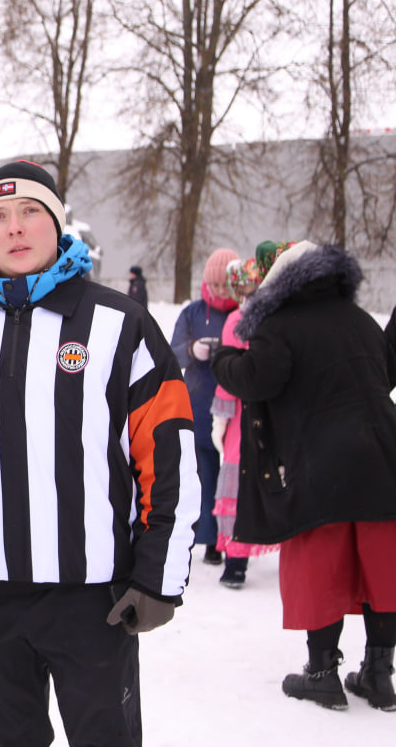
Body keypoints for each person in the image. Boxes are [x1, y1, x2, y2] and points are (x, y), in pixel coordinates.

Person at [0, 160, 201, 747]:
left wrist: (159, 576)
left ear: (57, 222)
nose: (15, 227)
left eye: (30, 211)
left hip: (94, 598)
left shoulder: (121, 324)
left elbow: (170, 456)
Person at [212, 241, 396, 712]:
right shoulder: (360, 320)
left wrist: (221, 359)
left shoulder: (280, 325)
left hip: (318, 466)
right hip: (383, 458)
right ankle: (379, 675)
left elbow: (258, 378)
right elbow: (385, 373)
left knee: (320, 567)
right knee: (382, 568)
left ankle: (321, 675)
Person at [208, 258, 278, 589]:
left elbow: (229, 372)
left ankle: (236, 562)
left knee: (236, 482)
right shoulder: (277, 317)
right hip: (273, 411)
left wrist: (221, 416)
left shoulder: (236, 320)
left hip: (243, 412)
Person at [170, 247, 239, 570]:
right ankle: (210, 539)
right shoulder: (193, 313)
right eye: (215, 285)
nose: (220, 291)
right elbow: (171, 354)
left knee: (234, 476)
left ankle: (235, 538)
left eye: (226, 285)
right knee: (205, 476)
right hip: (199, 404)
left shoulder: (244, 313)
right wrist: (191, 349)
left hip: (237, 405)